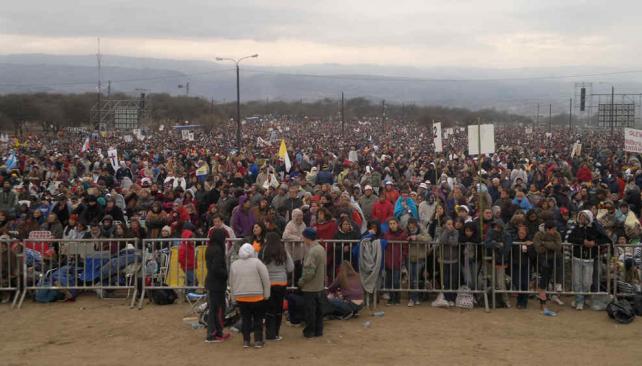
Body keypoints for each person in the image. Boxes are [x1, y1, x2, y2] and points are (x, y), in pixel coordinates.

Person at [229, 243, 271, 349]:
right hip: (257, 296)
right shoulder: (258, 263)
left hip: (241, 297)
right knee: (258, 319)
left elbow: (232, 282)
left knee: (245, 319)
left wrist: (233, 298)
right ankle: (258, 340)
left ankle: (246, 341)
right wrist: (267, 294)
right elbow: (266, 279)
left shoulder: (234, 264)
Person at [260, 232, 294, 341]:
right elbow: (290, 267)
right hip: (281, 282)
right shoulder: (283, 251)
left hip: (268, 282)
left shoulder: (264, 251)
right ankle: (276, 333)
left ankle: (269, 333)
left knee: (269, 308)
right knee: (278, 308)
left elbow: (260, 266)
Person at [298, 228, 326, 338]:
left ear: (307, 237)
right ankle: (318, 331)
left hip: (310, 286)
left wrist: (301, 281)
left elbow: (309, 271)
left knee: (310, 311)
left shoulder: (312, 251)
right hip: (319, 285)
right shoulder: (320, 248)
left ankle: (309, 331)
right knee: (318, 310)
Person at [205, 229, 231, 343]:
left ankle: (215, 332)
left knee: (213, 309)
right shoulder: (218, 250)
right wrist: (225, 274)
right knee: (217, 309)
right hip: (217, 283)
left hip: (211, 282)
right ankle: (214, 333)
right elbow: (216, 268)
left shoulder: (210, 248)